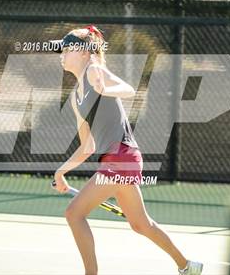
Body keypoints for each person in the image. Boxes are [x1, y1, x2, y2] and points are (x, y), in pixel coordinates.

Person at [52, 25, 203, 275]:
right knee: (141, 224)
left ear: (82, 51)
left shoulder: (94, 70)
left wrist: (105, 90)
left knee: (73, 213)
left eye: (66, 48)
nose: (61, 53)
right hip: (116, 160)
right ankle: (187, 266)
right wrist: (61, 172)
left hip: (122, 157)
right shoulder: (74, 100)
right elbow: (87, 147)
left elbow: (129, 90)